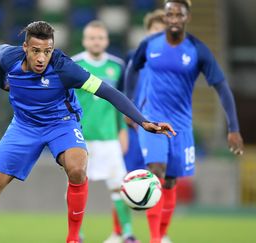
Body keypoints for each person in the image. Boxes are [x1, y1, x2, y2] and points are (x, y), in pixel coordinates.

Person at [0, 21, 175, 243]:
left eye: (47, 51)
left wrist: (143, 122)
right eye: (36, 51)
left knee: (77, 167)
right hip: (24, 126)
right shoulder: (7, 57)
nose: (41, 58)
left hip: (62, 123)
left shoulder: (65, 68)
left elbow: (108, 92)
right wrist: (3, 82)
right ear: (25, 47)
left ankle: (74, 238)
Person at [125, 1, 244, 243]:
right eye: (170, 13)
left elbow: (222, 87)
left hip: (180, 126)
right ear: (166, 17)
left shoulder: (197, 50)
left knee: (171, 181)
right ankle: (155, 239)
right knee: (156, 171)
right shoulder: (149, 44)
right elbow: (132, 69)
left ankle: (162, 233)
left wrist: (233, 127)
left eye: (179, 14)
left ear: (187, 17)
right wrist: (130, 105)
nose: (174, 18)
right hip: (152, 120)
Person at [72, 20, 138, 243]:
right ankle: (76, 234)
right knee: (76, 186)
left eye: (100, 38)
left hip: (110, 137)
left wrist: (123, 131)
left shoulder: (117, 66)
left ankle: (126, 233)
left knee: (119, 187)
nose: (96, 41)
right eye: (92, 37)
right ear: (84, 40)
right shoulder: (74, 64)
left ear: (107, 40)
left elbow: (121, 102)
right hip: (81, 138)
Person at [124, 9, 166, 176]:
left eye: (163, 31)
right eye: (155, 29)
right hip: (134, 123)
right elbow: (125, 84)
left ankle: (157, 202)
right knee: (131, 175)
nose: (158, 33)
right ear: (148, 31)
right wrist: (127, 107)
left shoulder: (172, 61)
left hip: (159, 123)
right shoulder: (133, 56)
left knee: (157, 172)